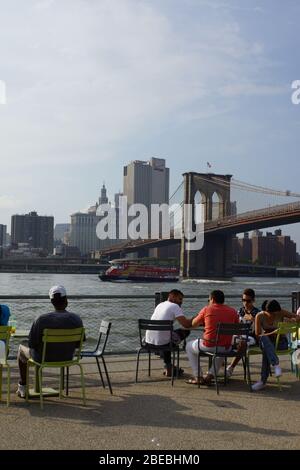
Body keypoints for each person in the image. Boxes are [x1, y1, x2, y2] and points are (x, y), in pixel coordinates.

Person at [17, 285, 84, 398]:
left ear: (51, 302)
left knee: (21, 350)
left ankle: (23, 386)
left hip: (43, 359)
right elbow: (79, 344)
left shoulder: (41, 319)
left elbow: (32, 344)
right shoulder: (76, 319)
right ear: (66, 300)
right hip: (67, 358)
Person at [186, 290, 239, 385]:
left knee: (189, 346)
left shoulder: (207, 309)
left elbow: (194, 324)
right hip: (226, 348)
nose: (208, 301)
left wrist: (204, 321)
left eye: (209, 299)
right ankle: (210, 375)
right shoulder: (233, 311)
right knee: (221, 346)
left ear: (212, 299)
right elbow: (237, 328)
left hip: (209, 345)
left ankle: (198, 376)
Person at [251, 299, 299, 391]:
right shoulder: (259, 316)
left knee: (267, 350)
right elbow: (257, 334)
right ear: (266, 311)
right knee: (264, 340)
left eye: (276, 313)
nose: (274, 315)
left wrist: (292, 320)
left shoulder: (280, 312)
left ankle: (262, 381)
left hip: (281, 343)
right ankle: (276, 364)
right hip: (266, 341)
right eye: (272, 313)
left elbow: (297, 317)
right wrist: (272, 333)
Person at [145, 289, 192, 377]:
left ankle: (168, 367)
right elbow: (186, 324)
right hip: (164, 343)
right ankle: (169, 367)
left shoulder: (160, 305)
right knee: (185, 331)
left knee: (166, 336)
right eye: (180, 299)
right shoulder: (175, 306)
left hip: (149, 342)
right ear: (172, 297)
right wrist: (196, 318)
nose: (181, 302)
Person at [226, 288, 260, 377]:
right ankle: (220, 367)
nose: (245, 303)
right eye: (243, 300)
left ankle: (231, 367)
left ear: (253, 300)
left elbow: (261, 328)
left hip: (251, 337)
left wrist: (253, 320)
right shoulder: (240, 311)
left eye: (248, 301)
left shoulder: (258, 313)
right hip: (238, 335)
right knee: (223, 338)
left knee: (243, 342)